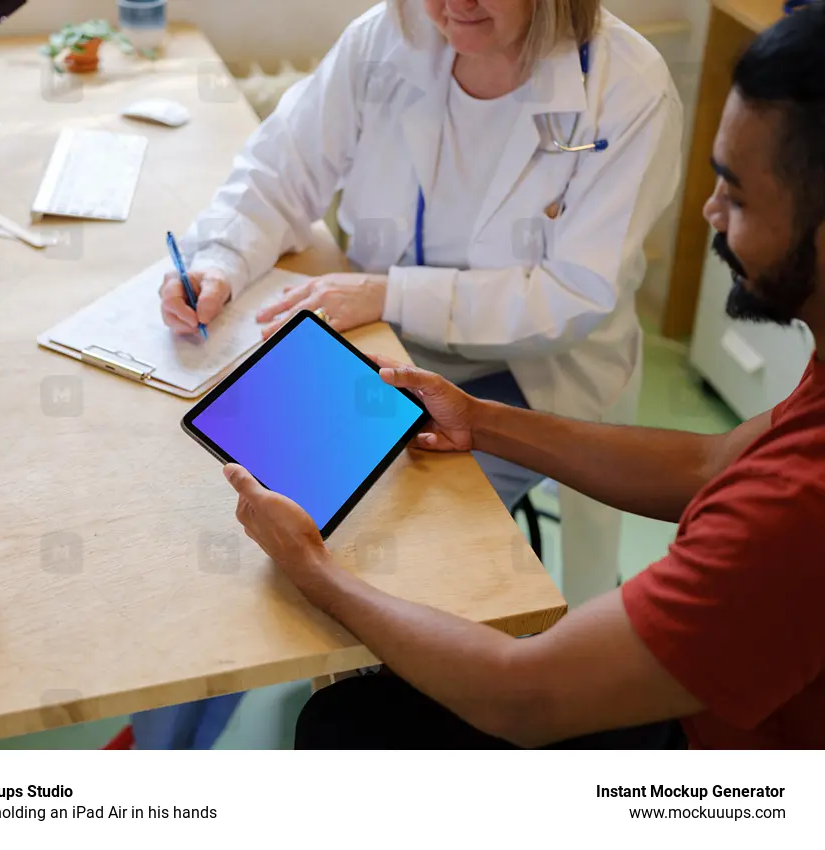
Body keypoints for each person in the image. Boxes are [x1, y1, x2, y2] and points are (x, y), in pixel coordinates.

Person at [218, 1, 825, 749]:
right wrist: (484, 420)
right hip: (421, 360)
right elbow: (715, 460)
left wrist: (314, 570)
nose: (707, 213)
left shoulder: (798, 509)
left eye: (735, 194)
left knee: (343, 713)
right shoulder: (811, 397)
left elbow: (522, 695)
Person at [133, 0, 683, 750]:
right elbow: (280, 168)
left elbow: (573, 295)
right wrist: (219, 261)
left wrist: (393, 292)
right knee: (236, 508)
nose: (450, 7)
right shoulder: (386, 38)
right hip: (376, 339)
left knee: (359, 547)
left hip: (525, 373)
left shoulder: (626, 84)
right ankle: (157, 752)